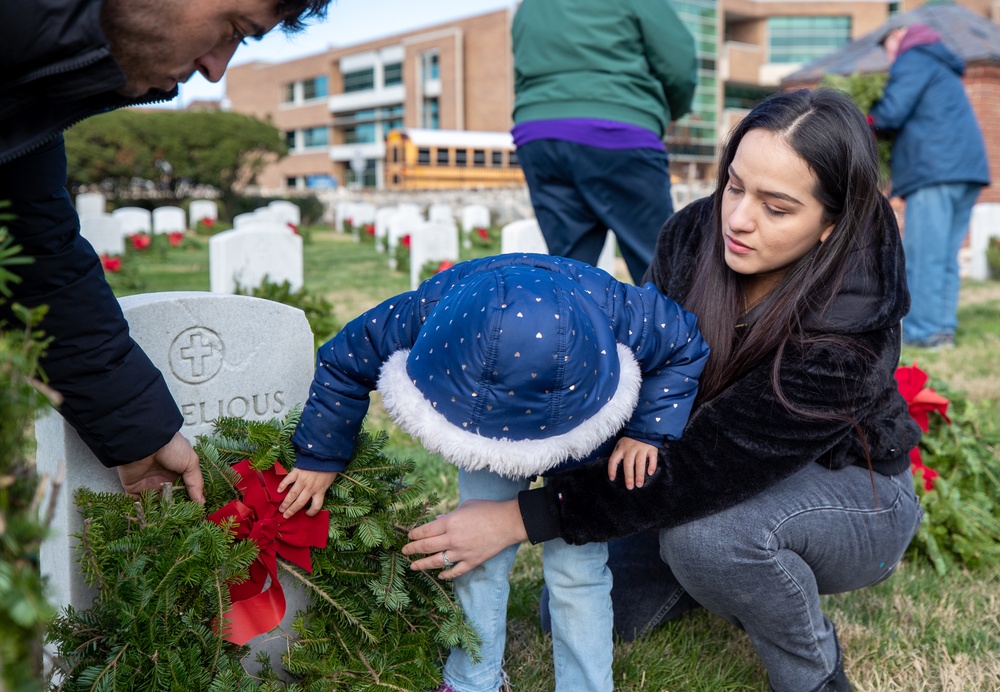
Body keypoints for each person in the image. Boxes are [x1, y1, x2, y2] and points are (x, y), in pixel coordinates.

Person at [403, 89, 926, 692]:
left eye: (776, 207)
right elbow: (638, 376)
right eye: (735, 186)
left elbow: (709, 464)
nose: (737, 219)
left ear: (830, 225)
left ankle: (813, 674)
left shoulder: (849, 339)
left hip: (852, 489)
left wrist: (517, 519)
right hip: (711, 470)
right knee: (570, 604)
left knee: (708, 539)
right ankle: (714, 578)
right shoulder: (692, 237)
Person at [280, 254, 709, 692]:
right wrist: (320, 454)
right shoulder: (431, 310)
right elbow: (346, 356)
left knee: (578, 569)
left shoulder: (617, 309)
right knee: (476, 552)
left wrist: (646, 432)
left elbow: (683, 343)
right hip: (487, 438)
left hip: (582, 427)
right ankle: (473, 679)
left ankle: (585, 685)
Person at [0, 0, 329, 503]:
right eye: (233, 29)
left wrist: (139, 433)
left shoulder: (31, 100)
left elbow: (38, 259)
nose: (216, 70)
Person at [510, 0, 697, 284]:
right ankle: (674, 327)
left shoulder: (528, 6)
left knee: (568, 270)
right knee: (661, 266)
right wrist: (669, 112)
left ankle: (568, 325)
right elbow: (678, 63)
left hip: (540, 136)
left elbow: (522, 70)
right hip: (618, 132)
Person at [869, 21, 990, 349]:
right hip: (965, 170)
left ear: (898, 36)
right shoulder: (938, 62)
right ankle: (941, 330)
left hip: (936, 170)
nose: (889, 56)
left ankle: (923, 333)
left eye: (888, 47)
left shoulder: (914, 58)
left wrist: (861, 120)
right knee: (945, 256)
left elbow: (891, 113)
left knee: (923, 255)